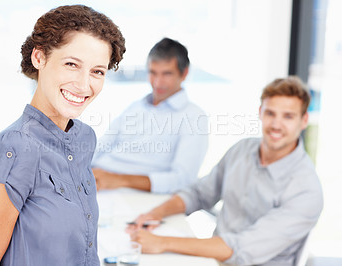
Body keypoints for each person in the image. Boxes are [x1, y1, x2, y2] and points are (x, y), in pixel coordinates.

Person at [0, 5, 125, 266]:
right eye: (72, 64)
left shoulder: (84, 138)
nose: (84, 85)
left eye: (97, 71)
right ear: (39, 58)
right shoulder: (15, 147)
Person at [127, 76, 323, 266]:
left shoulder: (307, 190)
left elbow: (241, 249)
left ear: (304, 120)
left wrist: (162, 243)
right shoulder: (242, 150)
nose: (276, 125)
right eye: (270, 113)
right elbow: (199, 193)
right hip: (213, 258)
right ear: (260, 112)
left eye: (288, 116)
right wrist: (155, 214)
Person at [92, 38, 208, 194]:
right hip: (96, 181)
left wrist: (118, 179)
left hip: (129, 192)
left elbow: (183, 179)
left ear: (184, 73)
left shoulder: (194, 117)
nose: (158, 83)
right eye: (153, 73)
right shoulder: (136, 107)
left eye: (167, 74)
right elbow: (101, 147)